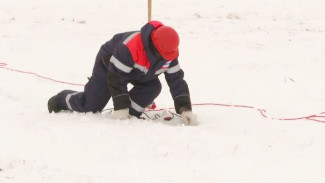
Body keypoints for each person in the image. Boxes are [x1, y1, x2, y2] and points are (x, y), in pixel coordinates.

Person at [48, 20, 198, 125]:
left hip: (140, 73)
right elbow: (117, 78)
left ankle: (131, 113)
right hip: (109, 66)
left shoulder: (168, 54)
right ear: (156, 49)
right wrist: (120, 108)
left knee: (153, 87)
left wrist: (185, 109)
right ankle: (62, 99)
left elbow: (176, 80)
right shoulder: (130, 48)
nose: (169, 59)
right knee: (91, 106)